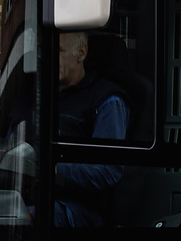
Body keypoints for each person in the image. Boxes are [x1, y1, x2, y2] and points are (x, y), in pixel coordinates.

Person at [53, 30, 130, 226]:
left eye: (59, 51)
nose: (49, 57)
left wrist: (52, 170)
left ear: (81, 53)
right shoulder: (32, 95)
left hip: (79, 207)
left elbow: (108, 169)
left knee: (22, 219)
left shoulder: (107, 100)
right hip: (28, 194)